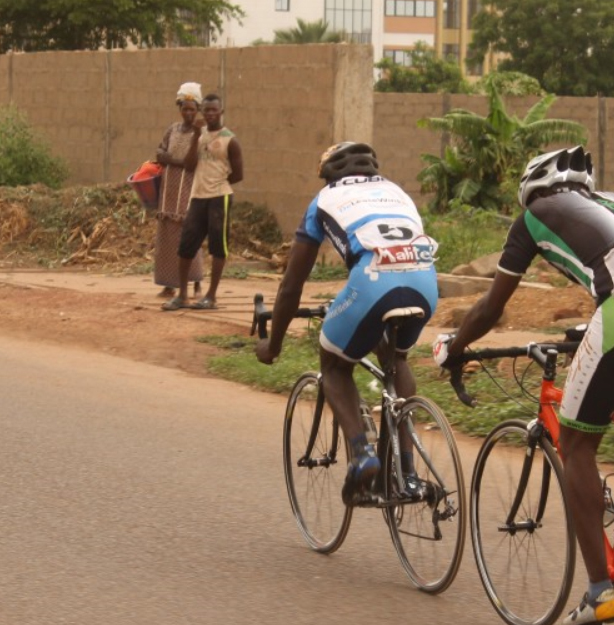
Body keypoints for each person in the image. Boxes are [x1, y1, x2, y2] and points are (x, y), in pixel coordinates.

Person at [433, 146, 614, 625]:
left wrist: (455, 347)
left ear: (531, 189)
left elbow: (491, 308)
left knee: (575, 445)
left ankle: (599, 592)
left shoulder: (535, 215)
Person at [256, 142, 438, 501]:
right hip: (426, 282)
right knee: (397, 359)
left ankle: (362, 455)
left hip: (372, 283)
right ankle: (408, 473)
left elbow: (291, 286)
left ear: (328, 175)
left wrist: (273, 345)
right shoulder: (396, 192)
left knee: (335, 367)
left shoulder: (323, 200)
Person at [162, 93, 243, 312]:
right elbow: (189, 165)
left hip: (219, 198)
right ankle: (182, 295)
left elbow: (238, 175)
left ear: (221, 112)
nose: (209, 114)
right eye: (206, 110)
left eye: (213, 110)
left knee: (218, 248)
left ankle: (211, 296)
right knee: (186, 246)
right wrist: (197, 135)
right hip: (197, 197)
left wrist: (217, 183)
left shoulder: (230, 140)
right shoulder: (199, 135)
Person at [152, 82, 206, 299]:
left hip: (189, 190)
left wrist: (171, 160)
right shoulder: (172, 129)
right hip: (169, 192)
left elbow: (192, 164)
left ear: (198, 110)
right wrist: (176, 161)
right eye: (185, 109)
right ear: (180, 109)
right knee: (167, 239)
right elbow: (159, 153)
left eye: (192, 109)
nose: (188, 113)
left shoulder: (200, 134)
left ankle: (196, 283)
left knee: (190, 235)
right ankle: (169, 285)